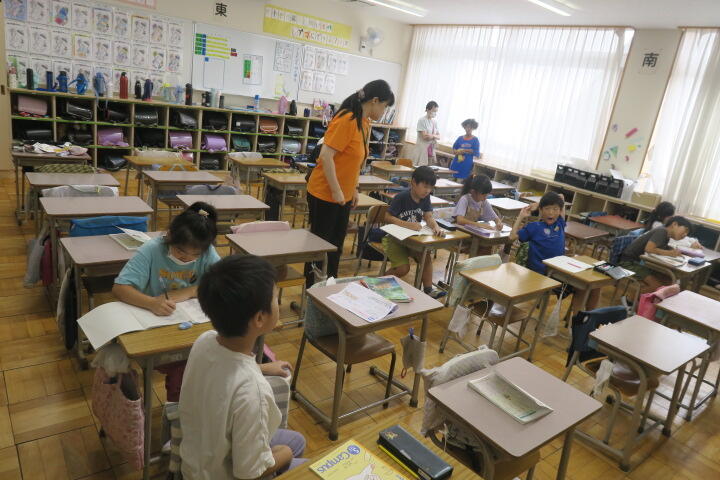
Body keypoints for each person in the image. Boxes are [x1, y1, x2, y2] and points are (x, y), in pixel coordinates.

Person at [180, 255, 306, 480]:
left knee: (298, 440)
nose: (278, 302)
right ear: (259, 318)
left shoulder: (205, 340)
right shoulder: (254, 392)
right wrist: (284, 454)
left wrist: (261, 368)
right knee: (300, 458)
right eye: (275, 297)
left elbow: (226, 371)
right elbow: (248, 473)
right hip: (223, 474)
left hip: (196, 458)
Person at [112, 202, 220, 402]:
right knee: (185, 369)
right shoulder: (152, 250)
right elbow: (119, 288)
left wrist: (190, 291)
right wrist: (151, 303)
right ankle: (178, 412)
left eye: (195, 256)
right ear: (169, 236)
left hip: (193, 325)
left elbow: (222, 283)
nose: (187, 259)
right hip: (158, 327)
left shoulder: (206, 250)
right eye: (180, 252)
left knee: (218, 356)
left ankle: (201, 406)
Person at [305, 79, 395, 287]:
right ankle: (312, 291)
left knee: (335, 247)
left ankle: (328, 290)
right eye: (384, 106)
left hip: (342, 196)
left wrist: (353, 189)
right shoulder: (347, 119)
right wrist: (337, 190)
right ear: (374, 101)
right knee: (320, 248)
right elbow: (326, 156)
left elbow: (354, 162)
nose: (384, 112)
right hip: (325, 193)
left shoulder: (364, 123)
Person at [509, 192, 601, 312]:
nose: (551, 213)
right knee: (583, 285)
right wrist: (521, 216)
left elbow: (561, 196)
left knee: (592, 285)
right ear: (541, 210)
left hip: (559, 272)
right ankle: (580, 319)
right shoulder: (534, 227)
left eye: (555, 209)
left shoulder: (560, 223)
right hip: (542, 275)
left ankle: (584, 318)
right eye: (547, 209)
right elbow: (511, 237)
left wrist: (539, 203)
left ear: (560, 210)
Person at [383, 166, 446, 298]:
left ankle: (428, 289)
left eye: (430, 187)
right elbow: (387, 217)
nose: (427, 191)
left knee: (425, 256)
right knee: (403, 268)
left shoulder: (425, 198)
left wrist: (436, 227)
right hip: (395, 240)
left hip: (412, 239)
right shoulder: (402, 197)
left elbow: (428, 216)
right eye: (425, 186)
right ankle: (380, 282)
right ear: (413, 182)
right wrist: (407, 225)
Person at [619, 216, 693, 292]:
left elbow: (660, 247)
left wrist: (671, 250)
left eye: (687, 233)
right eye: (685, 230)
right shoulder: (661, 231)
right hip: (629, 263)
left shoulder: (665, 234)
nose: (685, 235)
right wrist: (670, 253)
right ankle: (633, 297)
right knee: (657, 286)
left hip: (639, 262)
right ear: (674, 224)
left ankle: (644, 297)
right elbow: (649, 249)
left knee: (669, 281)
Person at [453, 174, 502, 255]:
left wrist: (498, 222)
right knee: (483, 245)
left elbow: (495, 217)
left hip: (473, 234)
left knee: (487, 245)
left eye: (487, 195)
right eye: (483, 195)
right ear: (473, 192)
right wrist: (478, 225)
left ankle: (479, 262)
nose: (485, 197)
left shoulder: (483, 202)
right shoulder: (465, 199)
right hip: (461, 235)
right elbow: (460, 220)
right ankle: (474, 262)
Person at [412, 101, 440, 166]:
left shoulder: (434, 122)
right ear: (427, 110)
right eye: (433, 111)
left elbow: (439, 136)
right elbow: (424, 137)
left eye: (436, 111)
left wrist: (432, 136)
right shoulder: (422, 120)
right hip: (422, 149)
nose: (435, 113)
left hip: (431, 149)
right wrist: (434, 136)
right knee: (419, 167)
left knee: (429, 168)